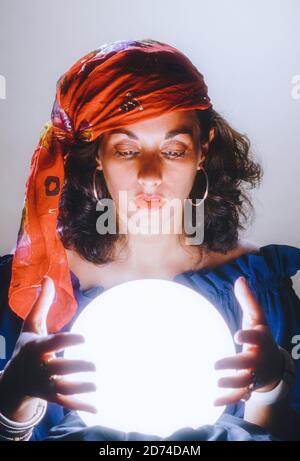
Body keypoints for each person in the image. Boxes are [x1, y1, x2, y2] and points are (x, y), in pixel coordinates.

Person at [0, 38, 299, 441]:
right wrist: (12, 404)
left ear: (202, 152)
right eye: (126, 150)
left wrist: (271, 387)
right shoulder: (32, 288)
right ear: (97, 157)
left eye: (173, 150)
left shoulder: (256, 286)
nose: (150, 176)